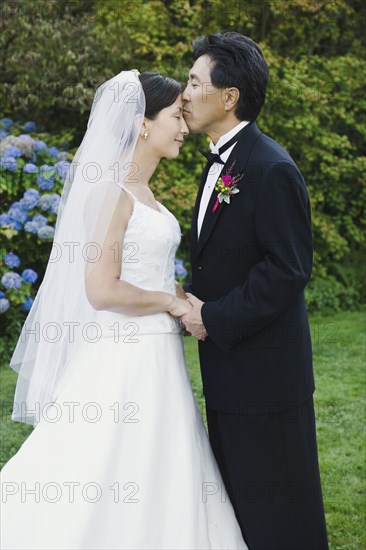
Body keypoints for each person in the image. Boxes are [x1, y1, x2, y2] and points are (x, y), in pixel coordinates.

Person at [0, 70, 248, 549]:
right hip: (124, 353)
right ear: (140, 124)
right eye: (176, 115)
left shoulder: (145, 193)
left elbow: (146, 271)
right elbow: (101, 289)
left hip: (156, 355)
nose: (184, 126)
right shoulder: (113, 190)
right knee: (104, 464)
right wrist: (169, 302)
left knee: (158, 461)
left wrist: (186, 297)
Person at [180, 32, 329, 549]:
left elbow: (286, 270)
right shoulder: (220, 161)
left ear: (229, 97)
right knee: (244, 514)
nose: (184, 93)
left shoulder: (270, 167)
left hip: (266, 381)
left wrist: (212, 318)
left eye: (195, 82)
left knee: (282, 518)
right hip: (228, 373)